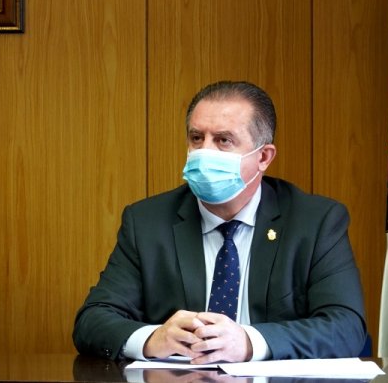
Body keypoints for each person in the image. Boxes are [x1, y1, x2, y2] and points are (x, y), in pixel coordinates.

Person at [74, 81, 367, 363]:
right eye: (196, 138)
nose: (205, 152)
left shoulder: (314, 222)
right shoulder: (147, 222)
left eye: (223, 140)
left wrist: (250, 342)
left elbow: (346, 327)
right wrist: (152, 339)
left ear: (264, 157)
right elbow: (92, 320)